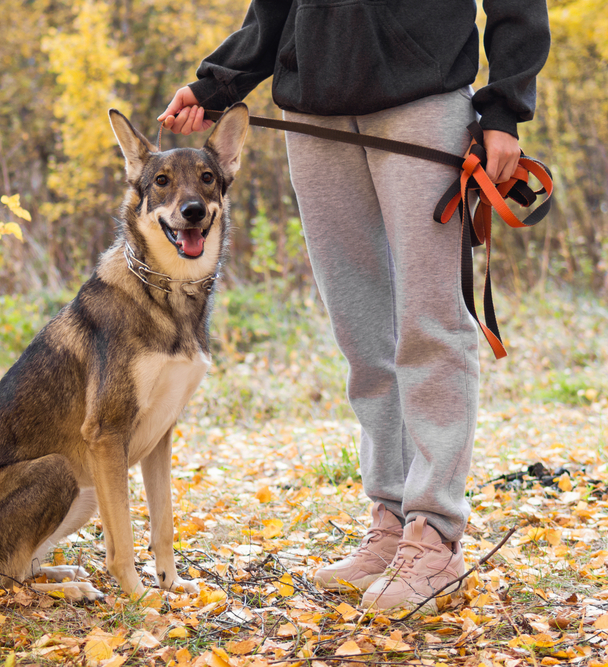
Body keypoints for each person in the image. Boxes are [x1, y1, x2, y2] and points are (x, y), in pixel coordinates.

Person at [159, 1, 549, 613]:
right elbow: (275, 8)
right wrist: (217, 85)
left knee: (430, 324)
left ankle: (435, 537)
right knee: (362, 335)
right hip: (314, 112)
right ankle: (391, 520)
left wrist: (503, 107)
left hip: (424, 101)